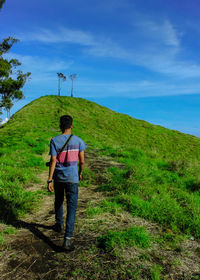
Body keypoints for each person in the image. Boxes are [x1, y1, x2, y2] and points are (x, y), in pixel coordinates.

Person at [47, 115, 86, 251]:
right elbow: (82, 161)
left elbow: (53, 161)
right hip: (72, 179)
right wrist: (80, 172)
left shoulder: (54, 141)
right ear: (72, 126)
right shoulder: (79, 141)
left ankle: (59, 225)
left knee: (58, 201)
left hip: (58, 178)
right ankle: (67, 240)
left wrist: (49, 179)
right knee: (72, 207)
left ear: (60, 126)